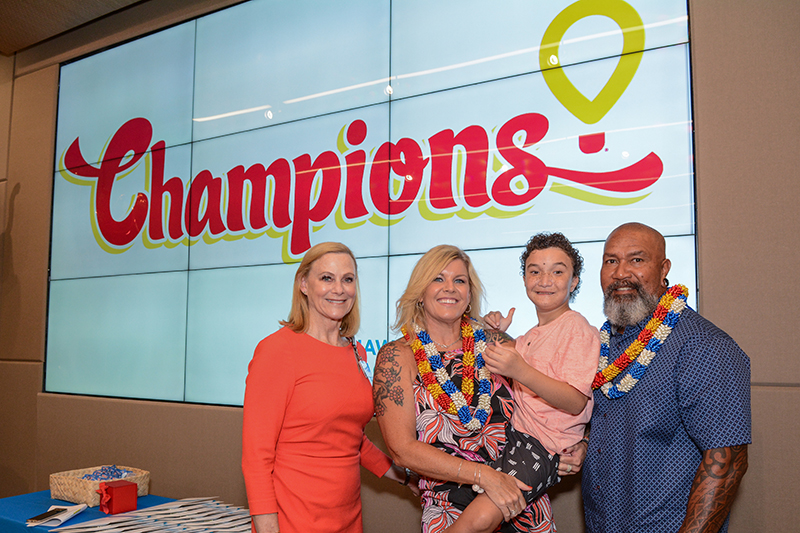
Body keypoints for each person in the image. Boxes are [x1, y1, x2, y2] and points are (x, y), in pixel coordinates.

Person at [373, 244, 557, 533]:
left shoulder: (498, 343)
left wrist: (578, 445)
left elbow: (552, 395)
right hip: (450, 513)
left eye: (460, 281)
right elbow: (402, 450)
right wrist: (485, 476)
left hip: (519, 500)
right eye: (438, 278)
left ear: (470, 294)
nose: (450, 288)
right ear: (420, 292)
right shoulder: (396, 357)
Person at [582, 222, 750, 532]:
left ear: (664, 269)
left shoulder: (703, 345)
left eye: (636, 259)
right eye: (611, 261)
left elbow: (727, 462)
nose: (620, 273)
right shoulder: (606, 341)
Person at [241, 242, 414, 533]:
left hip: (347, 517)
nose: (339, 289)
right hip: (294, 518)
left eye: (348, 279)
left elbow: (351, 439)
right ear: (304, 284)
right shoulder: (278, 350)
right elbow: (256, 457)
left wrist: (408, 478)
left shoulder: (355, 351)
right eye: (327, 278)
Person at [443, 232, 601, 533]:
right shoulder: (531, 335)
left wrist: (522, 371)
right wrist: (495, 332)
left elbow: (576, 401)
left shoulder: (577, 330)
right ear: (525, 278)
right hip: (514, 437)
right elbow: (512, 356)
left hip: (542, 448)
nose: (545, 279)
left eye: (558, 271)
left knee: (476, 521)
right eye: (535, 271)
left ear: (575, 281)